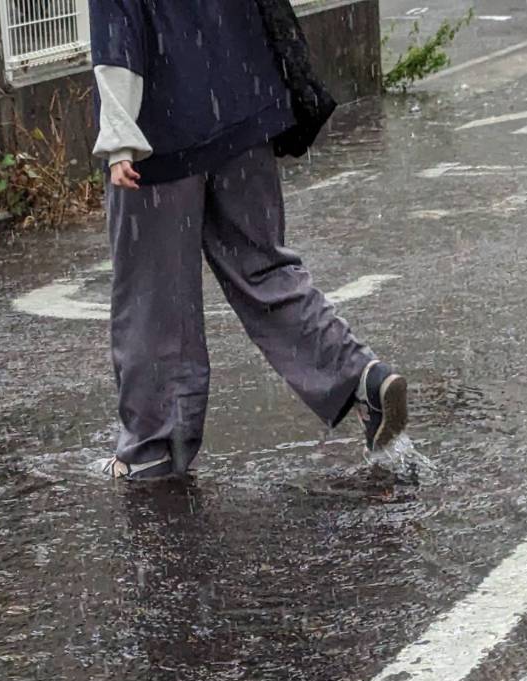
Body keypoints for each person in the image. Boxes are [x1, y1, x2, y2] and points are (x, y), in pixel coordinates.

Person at [90, 0, 407, 479]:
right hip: (244, 105)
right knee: (265, 268)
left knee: (156, 297)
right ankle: (359, 377)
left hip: (161, 129)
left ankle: (154, 448)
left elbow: (118, 28)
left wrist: (118, 138)